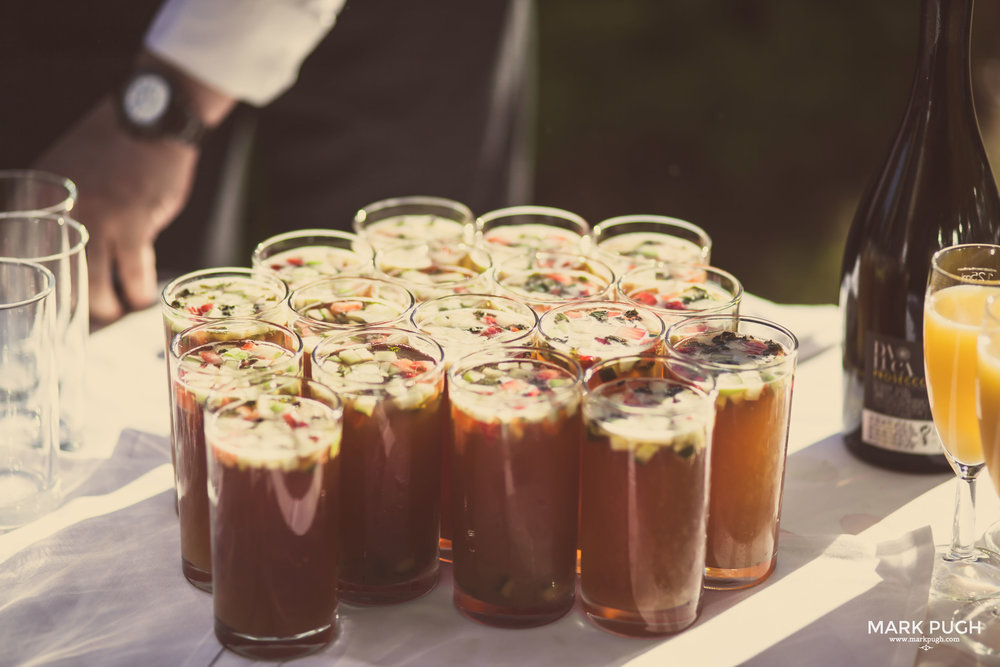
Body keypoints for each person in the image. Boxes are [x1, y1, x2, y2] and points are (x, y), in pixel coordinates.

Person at [3, 0, 534, 323]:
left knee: (404, 315)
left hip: (406, 23)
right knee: (101, 295)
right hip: (90, 23)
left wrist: (163, 109)